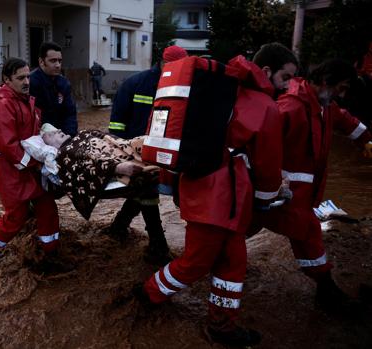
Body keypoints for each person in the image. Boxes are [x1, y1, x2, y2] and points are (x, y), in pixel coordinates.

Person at [135, 55, 285, 347]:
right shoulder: (263, 105)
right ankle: (148, 293)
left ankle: (222, 325)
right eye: (287, 77)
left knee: (233, 262)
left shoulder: (209, 91)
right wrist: (266, 199)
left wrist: (169, 187)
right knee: (197, 261)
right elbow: (269, 161)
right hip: (222, 198)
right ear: (265, 72)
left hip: (203, 190)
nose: (290, 83)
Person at [249, 58, 372, 314]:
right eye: (343, 87)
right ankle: (326, 290)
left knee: (248, 226)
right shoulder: (291, 108)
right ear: (326, 82)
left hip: (297, 193)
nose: (343, 93)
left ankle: (218, 253)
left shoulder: (323, 105)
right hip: (286, 193)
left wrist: (366, 142)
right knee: (306, 233)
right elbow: (259, 145)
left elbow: (345, 120)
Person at [0, 58, 66, 273]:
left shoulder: (23, 101)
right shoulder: (1, 107)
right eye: (20, 78)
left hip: (26, 170)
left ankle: (50, 253)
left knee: (47, 208)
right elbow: (9, 146)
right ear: (7, 79)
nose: (27, 81)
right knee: (15, 217)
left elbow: (30, 136)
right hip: (11, 173)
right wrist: (39, 166)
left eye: (28, 76)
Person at [105, 45, 188, 265]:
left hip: (162, 152)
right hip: (133, 150)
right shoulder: (135, 84)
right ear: (162, 63)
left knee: (142, 191)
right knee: (147, 190)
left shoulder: (182, 88)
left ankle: (118, 227)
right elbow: (116, 123)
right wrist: (121, 151)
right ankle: (157, 244)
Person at [31, 124, 159, 220]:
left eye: (56, 129)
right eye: (51, 134)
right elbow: (85, 168)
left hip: (124, 151)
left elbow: (110, 139)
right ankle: (155, 246)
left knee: (149, 148)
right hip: (113, 167)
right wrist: (117, 167)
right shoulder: (65, 155)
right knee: (146, 183)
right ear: (48, 145)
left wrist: (127, 147)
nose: (58, 130)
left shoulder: (82, 134)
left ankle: (119, 228)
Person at [29, 41, 77, 136]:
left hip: (62, 136)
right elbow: (31, 118)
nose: (58, 65)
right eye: (53, 61)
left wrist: (69, 136)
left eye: (60, 61)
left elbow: (70, 113)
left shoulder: (64, 83)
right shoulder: (31, 83)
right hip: (40, 139)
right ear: (41, 62)